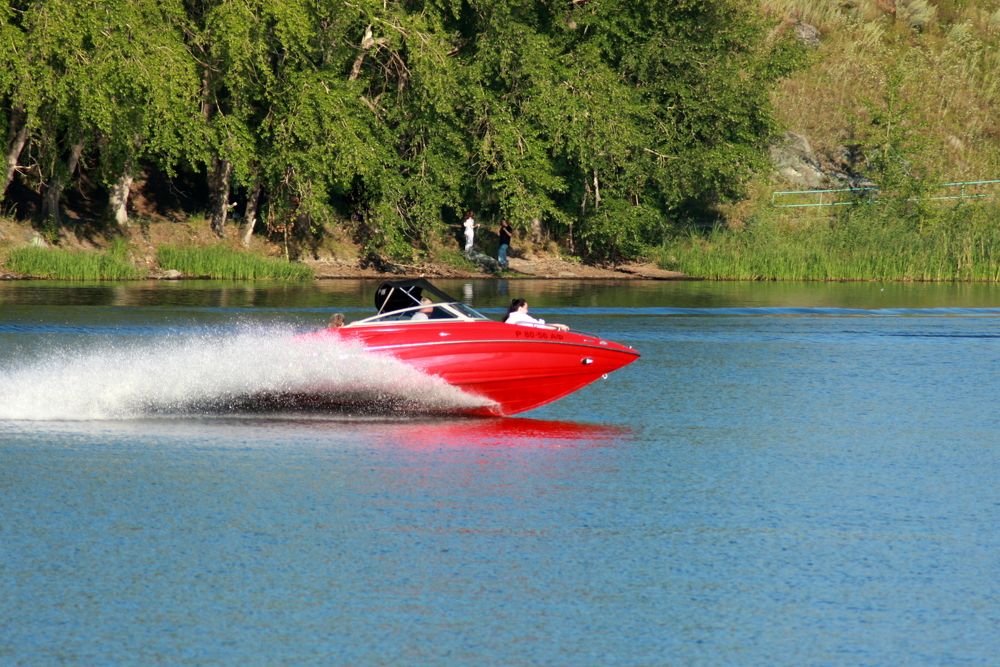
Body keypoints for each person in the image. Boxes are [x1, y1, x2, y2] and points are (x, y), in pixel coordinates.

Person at [504, 298, 569, 331]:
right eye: (526, 308)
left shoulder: (511, 317)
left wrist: (558, 325)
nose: (527, 311)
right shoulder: (521, 317)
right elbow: (541, 326)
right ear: (520, 308)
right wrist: (559, 327)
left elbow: (539, 325)